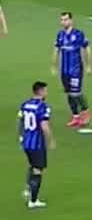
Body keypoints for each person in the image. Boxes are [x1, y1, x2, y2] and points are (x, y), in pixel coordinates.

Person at [52, 11, 92, 128]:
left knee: (76, 93)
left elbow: (87, 48)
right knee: (69, 94)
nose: (63, 22)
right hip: (64, 71)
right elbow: (56, 50)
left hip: (76, 70)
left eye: (65, 19)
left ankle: (85, 111)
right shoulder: (60, 35)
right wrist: (54, 66)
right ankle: (75, 117)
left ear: (71, 21)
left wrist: (88, 66)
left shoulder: (78, 34)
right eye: (62, 20)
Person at [18, 80, 54, 209]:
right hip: (37, 144)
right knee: (38, 170)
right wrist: (51, 140)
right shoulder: (42, 106)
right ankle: (33, 201)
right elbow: (44, 126)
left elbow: (21, 121)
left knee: (33, 165)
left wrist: (21, 137)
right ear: (41, 91)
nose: (47, 93)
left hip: (26, 142)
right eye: (45, 90)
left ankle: (28, 189)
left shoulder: (25, 104)